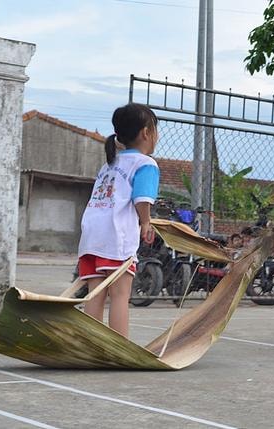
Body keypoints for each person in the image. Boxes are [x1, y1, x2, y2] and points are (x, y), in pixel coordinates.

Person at [77, 103, 160, 338]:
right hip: (117, 236)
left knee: (95, 292)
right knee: (120, 295)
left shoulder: (109, 164)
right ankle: (119, 345)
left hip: (91, 236)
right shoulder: (145, 164)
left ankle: (91, 343)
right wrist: (146, 221)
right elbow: (142, 199)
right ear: (146, 132)